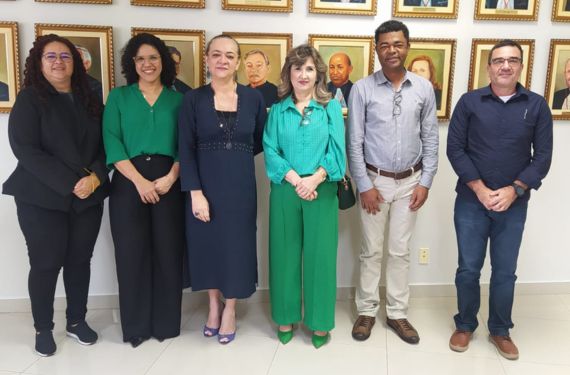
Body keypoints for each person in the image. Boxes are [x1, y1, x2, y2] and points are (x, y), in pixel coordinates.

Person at [2, 34, 109, 356]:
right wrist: (70, 183)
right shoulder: (30, 99)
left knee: (80, 262)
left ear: (75, 63)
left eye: (65, 56)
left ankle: (76, 321)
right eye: (51, 56)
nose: (59, 62)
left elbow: (107, 145)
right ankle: (43, 328)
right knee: (47, 263)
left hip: (88, 196)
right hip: (41, 198)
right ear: (39, 61)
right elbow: (26, 150)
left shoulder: (91, 98)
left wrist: (95, 178)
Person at [447, 39, 553, 361]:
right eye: (498, 60)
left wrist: (514, 190)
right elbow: (456, 149)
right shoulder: (469, 102)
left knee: (505, 271)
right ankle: (465, 324)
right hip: (470, 201)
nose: (505, 66)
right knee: (468, 268)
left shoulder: (536, 106)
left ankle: (500, 330)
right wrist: (480, 189)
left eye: (512, 60)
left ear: (521, 66)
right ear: (489, 66)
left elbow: (543, 157)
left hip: (513, 204)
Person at [348, 20, 438, 345]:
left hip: (411, 182)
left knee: (400, 252)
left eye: (397, 44)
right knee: (371, 250)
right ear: (376, 50)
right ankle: (367, 310)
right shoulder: (362, 89)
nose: (392, 50)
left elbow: (430, 137)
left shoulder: (423, 89)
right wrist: (364, 184)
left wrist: (426, 180)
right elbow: (354, 141)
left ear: (408, 46)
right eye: (384, 45)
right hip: (375, 181)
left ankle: (397, 313)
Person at [178, 35, 266, 345]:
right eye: (216, 54)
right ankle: (213, 306)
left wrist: (233, 155)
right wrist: (195, 192)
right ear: (206, 59)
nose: (223, 60)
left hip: (241, 186)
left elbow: (259, 139)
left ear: (238, 62)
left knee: (237, 246)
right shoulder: (193, 99)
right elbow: (185, 149)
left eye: (230, 55)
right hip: (204, 186)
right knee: (209, 246)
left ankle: (231, 308)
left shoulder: (254, 99)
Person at [103, 33, 185, 348]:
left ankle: (165, 324)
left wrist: (169, 178)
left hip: (169, 181)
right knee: (131, 254)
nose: (147, 64)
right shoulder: (119, 97)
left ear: (163, 61)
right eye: (140, 59)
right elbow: (112, 141)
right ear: (132, 63)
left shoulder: (179, 100)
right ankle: (135, 326)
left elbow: (185, 146)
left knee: (167, 253)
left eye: (153, 57)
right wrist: (139, 181)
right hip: (128, 182)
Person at [263, 44, 346, 349]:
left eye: (309, 68)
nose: (303, 74)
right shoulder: (278, 109)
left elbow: (337, 151)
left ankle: (320, 322)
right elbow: (270, 150)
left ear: (317, 74)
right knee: (284, 255)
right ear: (288, 73)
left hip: (321, 192)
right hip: (286, 190)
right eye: (297, 68)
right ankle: (285, 317)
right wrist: (297, 180)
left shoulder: (330, 108)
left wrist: (314, 179)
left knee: (320, 258)